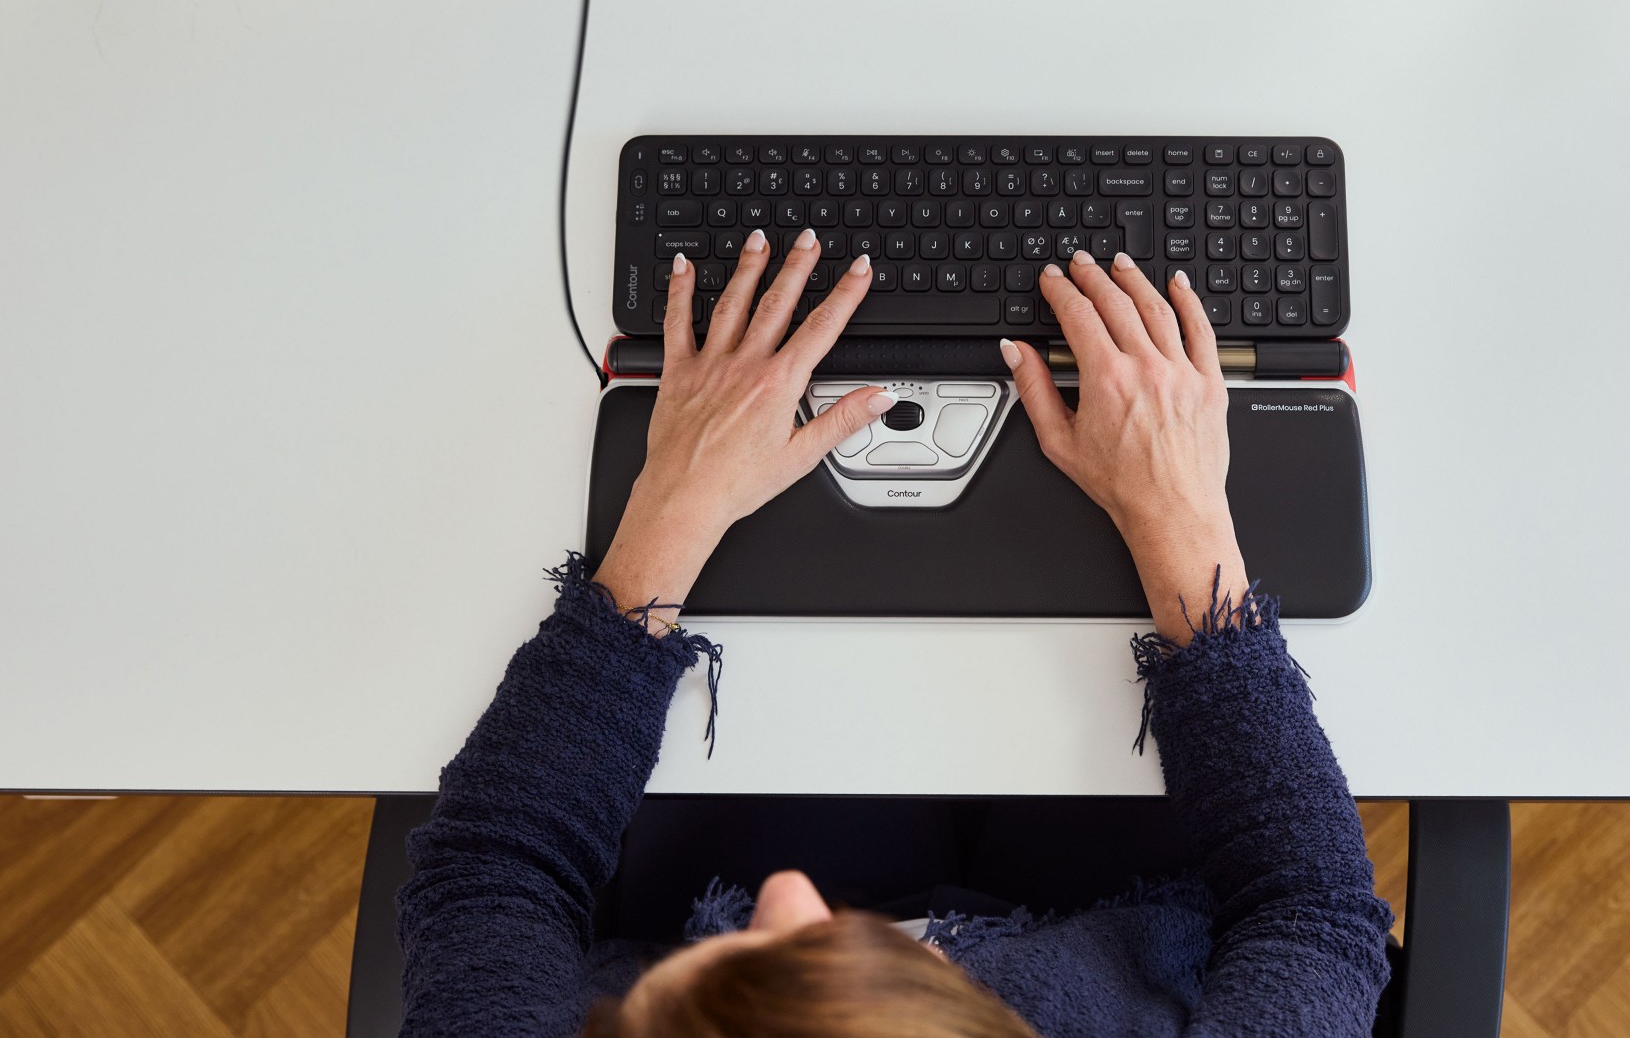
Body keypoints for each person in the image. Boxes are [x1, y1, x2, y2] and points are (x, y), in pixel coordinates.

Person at [396, 227, 1395, 1037]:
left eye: (746, 988)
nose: (788, 896)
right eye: (808, 971)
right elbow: (1309, 912)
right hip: (1110, 933)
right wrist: (1180, 514)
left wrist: (674, 502)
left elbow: (491, 869)